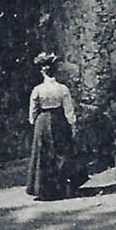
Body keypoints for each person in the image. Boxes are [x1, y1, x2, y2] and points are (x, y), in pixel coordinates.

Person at [25, 52, 77, 200]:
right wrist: (72, 124)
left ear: (42, 71)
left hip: (42, 121)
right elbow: (69, 109)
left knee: (44, 154)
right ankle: (63, 187)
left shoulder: (38, 89)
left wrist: (34, 122)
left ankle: (45, 190)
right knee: (61, 152)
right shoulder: (62, 89)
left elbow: (33, 111)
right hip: (59, 120)